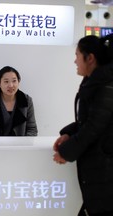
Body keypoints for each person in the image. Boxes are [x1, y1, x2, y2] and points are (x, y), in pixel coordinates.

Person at [53, 34, 113, 216]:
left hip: (106, 170)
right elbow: (89, 120)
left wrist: (66, 151)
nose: (74, 61)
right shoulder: (93, 82)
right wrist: (69, 134)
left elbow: (95, 126)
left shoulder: (106, 85)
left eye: (77, 55)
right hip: (99, 170)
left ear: (90, 58)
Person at [0, 66, 38, 136]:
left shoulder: (27, 100)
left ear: (19, 82)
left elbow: (32, 129)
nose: (11, 85)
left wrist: (22, 145)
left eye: (14, 81)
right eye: (6, 81)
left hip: (21, 146)